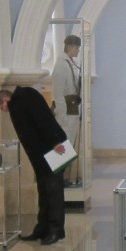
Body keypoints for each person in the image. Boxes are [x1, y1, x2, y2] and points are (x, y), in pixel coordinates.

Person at [0, 86, 70, 245]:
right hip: (40, 155)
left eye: (1, 108)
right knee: (44, 191)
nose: (4, 111)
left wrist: (55, 141)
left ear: (4, 100)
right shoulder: (17, 104)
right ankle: (42, 228)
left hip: (53, 149)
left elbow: (44, 118)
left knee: (54, 191)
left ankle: (56, 230)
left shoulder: (26, 96)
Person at [50, 34, 84, 184]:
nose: (78, 51)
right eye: (76, 48)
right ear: (69, 46)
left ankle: (63, 176)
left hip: (73, 109)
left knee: (68, 144)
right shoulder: (61, 65)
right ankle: (56, 177)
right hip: (65, 111)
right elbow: (58, 93)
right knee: (63, 144)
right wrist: (62, 116)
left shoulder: (70, 63)